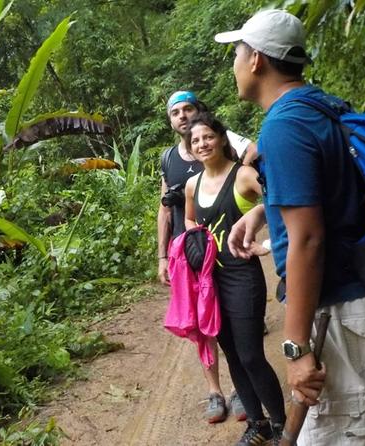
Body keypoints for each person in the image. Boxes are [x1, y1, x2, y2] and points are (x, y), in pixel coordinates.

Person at [216, 9, 365, 446]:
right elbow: (331, 195)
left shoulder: (286, 126)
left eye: (237, 52)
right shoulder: (321, 107)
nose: (234, 63)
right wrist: (265, 211)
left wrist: (295, 347)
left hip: (339, 312)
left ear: (256, 60)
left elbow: (308, 239)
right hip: (358, 304)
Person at [184, 112, 286, 445]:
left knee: (251, 354)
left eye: (208, 137)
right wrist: (196, 241)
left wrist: (268, 242)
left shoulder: (242, 176)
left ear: (222, 139)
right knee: (231, 353)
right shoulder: (192, 184)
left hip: (243, 277)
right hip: (210, 283)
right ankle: (257, 424)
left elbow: (278, 200)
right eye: (195, 140)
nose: (202, 143)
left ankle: (283, 425)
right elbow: (188, 219)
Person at [157, 90, 250, 423]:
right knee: (200, 324)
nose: (182, 116)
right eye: (175, 112)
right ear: (170, 121)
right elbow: (164, 210)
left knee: (227, 318)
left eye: (187, 109)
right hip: (189, 253)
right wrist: (163, 257)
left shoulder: (211, 144)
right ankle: (215, 391)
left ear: (198, 112)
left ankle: (242, 388)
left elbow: (247, 162)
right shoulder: (169, 158)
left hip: (224, 249)